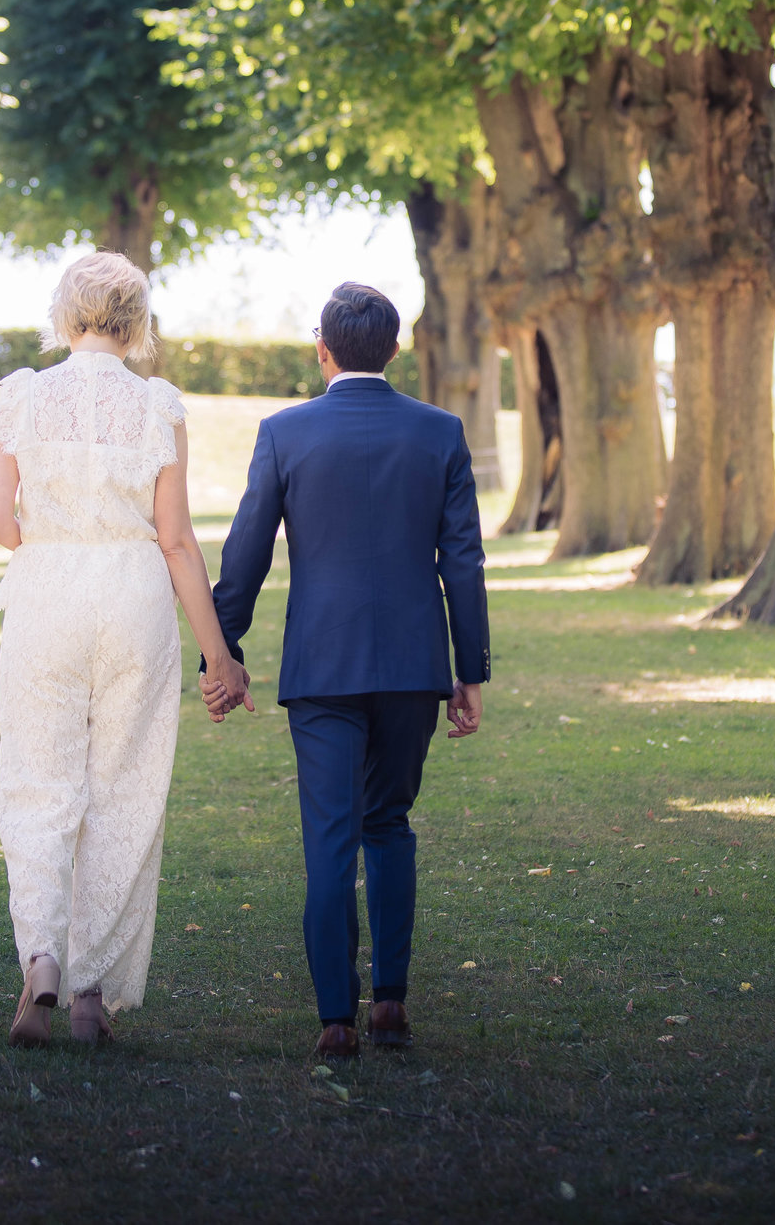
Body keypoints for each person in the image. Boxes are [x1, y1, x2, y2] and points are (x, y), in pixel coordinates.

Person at [204, 282, 489, 1058]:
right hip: (410, 664)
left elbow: (247, 553)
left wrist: (220, 652)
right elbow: (462, 557)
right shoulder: (440, 432)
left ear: (321, 349)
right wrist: (470, 669)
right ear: (396, 348)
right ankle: (390, 1001)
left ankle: (336, 1017)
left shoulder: (285, 433)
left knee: (329, 838)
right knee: (389, 824)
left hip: (321, 665)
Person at [0, 251, 250, 1047]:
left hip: (46, 593)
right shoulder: (159, 405)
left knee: (37, 777)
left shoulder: (21, 397)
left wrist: (58, 546)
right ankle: (95, 988)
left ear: (67, 315)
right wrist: (219, 656)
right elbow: (175, 540)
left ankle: (43, 962)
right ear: (136, 325)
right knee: (125, 785)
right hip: (133, 597)